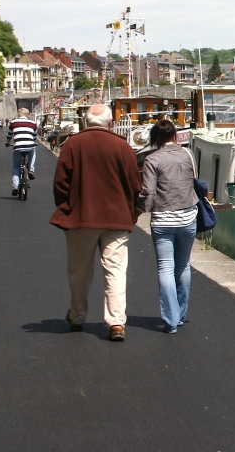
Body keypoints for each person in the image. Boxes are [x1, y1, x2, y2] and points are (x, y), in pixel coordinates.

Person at [50, 104, 141, 342]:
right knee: (115, 271)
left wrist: (67, 206)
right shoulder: (122, 146)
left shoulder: (72, 144)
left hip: (81, 217)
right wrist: (131, 211)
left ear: (86, 122)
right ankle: (116, 322)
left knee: (79, 272)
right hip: (116, 218)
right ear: (110, 122)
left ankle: (78, 316)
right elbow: (134, 184)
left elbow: (61, 183)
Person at [136, 120, 198, 333]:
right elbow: (193, 181)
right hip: (188, 217)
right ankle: (180, 315)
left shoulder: (152, 159)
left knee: (165, 268)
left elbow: (149, 193)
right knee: (183, 265)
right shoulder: (187, 155)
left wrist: (138, 209)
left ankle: (170, 321)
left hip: (163, 220)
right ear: (174, 136)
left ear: (155, 138)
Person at [6, 108, 38, 196]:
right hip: (30, 146)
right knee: (33, 151)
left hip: (18, 147)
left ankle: (15, 186)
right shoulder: (33, 123)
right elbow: (34, 137)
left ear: (18, 115)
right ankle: (31, 169)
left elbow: (9, 135)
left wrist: (8, 142)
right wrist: (34, 142)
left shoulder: (13, 123)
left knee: (16, 166)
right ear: (27, 115)